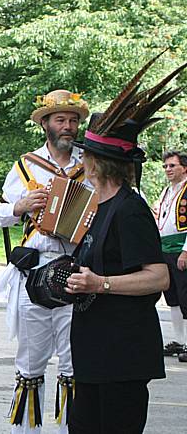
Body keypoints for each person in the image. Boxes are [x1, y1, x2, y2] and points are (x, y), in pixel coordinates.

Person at [64, 63, 176, 432]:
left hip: (122, 354)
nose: (81, 162)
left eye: (85, 156)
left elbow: (158, 276)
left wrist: (100, 284)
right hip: (95, 352)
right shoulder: (97, 206)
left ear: (95, 163)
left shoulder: (130, 210)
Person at [0, 89, 90, 433]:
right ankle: (26, 431)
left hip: (77, 269)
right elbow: (0, 213)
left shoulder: (89, 164)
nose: (68, 126)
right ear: (45, 124)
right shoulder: (25, 166)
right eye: (61, 120)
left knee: (73, 360)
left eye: (73, 120)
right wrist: (20, 207)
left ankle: (70, 428)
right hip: (34, 269)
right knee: (30, 360)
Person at [153, 150, 187, 361]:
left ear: (184, 167)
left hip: (180, 249)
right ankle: (179, 339)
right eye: (165, 166)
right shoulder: (168, 191)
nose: (168, 169)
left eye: (172, 166)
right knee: (172, 297)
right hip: (165, 249)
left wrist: (185, 251)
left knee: (185, 297)